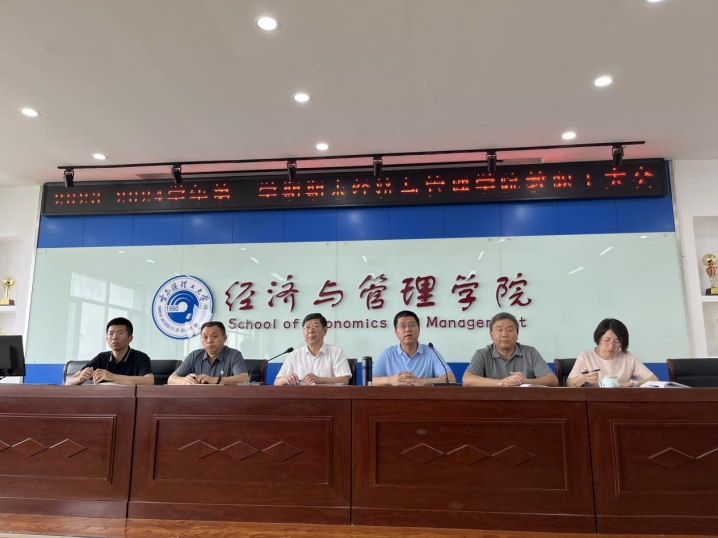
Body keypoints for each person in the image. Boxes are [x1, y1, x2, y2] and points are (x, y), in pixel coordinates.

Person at [463, 312, 558, 387]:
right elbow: (467, 380)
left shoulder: (530, 352)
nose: (504, 334)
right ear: (491, 335)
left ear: (517, 334)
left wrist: (525, 381)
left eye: (510, 330)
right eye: (499, 330)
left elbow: (553, 380)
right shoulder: (482, 354)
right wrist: (500, 382)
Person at [372, 310, 456, 386]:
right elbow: (368, 380)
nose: (408, 329)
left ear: (419, 329)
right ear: (396, 332)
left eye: (412, 325)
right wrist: (390, 380)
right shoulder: (388, 354)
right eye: (402, 326)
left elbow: (451, 379)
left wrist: (423, 382)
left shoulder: (430, 352)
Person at [567, 318, 658, 387]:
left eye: (617, 342)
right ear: (599, 339)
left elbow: (654, 380)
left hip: (622, 401)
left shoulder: (627, 357)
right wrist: (583, 378)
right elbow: (569, 384)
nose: (611, 346)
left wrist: (630, 383)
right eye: (607, 340)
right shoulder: (585, 357)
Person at [65, 317, 153, 386]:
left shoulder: (140, 357)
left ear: (130, 338)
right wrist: (80, 378)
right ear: (107, 339)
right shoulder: (101, 358)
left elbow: (149, 381)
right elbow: (67, 383)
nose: (114, 337)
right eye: (111, 334)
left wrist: (113, 377)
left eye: (120, 333)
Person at [274, 313, 351, 385]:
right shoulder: (294, 355)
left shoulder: (336, 352)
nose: (311, 331)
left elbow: (344, 380)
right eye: (307, 327)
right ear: (303, 332)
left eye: (316, 326)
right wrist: (285, 379)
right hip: (301, 394)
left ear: (325, 330)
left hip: (328, 394)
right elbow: (277, 382)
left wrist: (320, 380)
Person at [168, 321, 248, 385]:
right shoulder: (194, 356)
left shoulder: (234, 355)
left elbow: (244, 378)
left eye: (214, 336)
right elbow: (171, 379)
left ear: (224, 338)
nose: (209, 341)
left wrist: (215, 380)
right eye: (205, 337)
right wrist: (183, 380)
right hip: (198, 398)